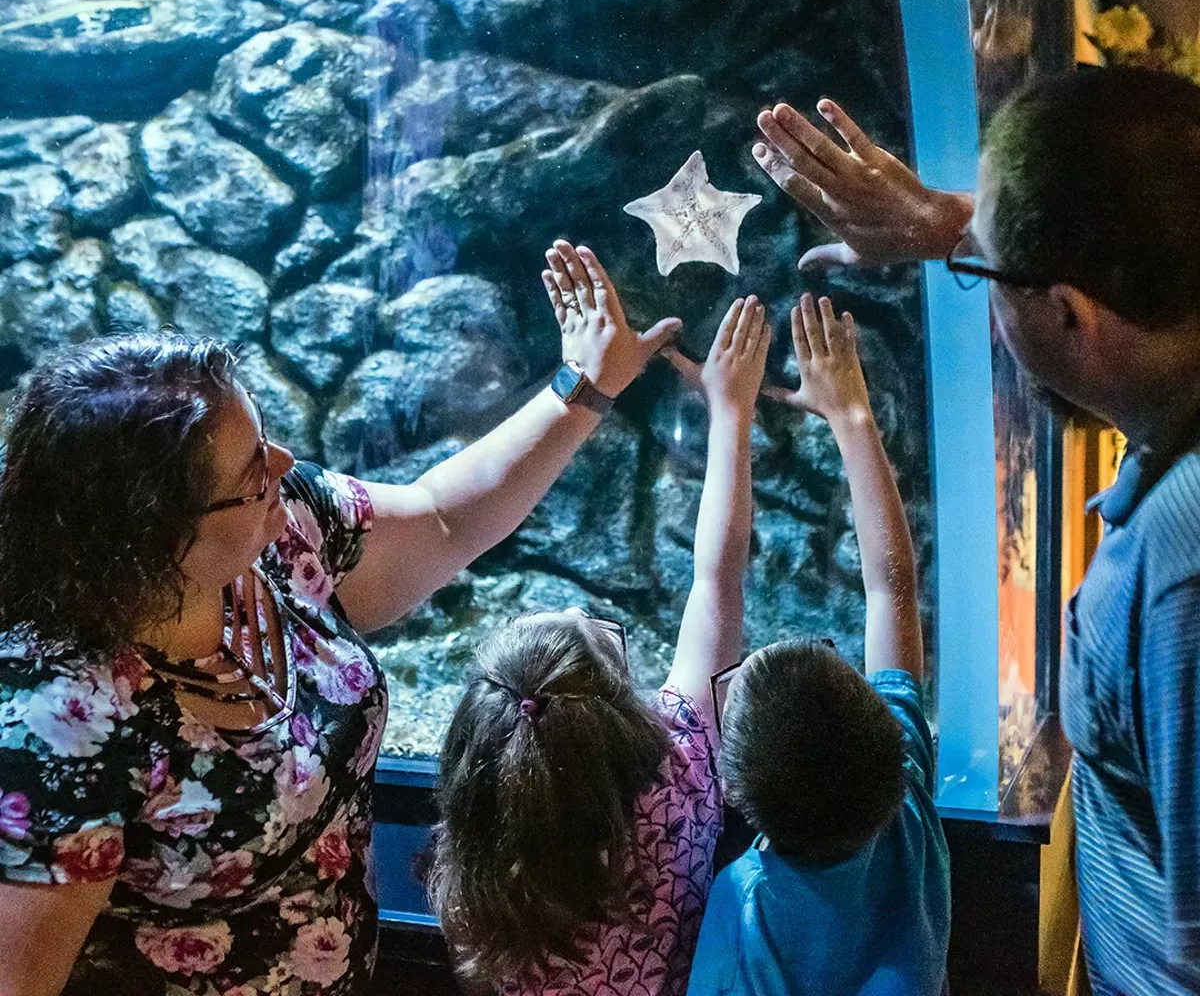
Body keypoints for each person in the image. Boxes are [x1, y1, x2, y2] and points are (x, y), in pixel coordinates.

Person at [0, 240, 680, 996]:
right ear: (155, 531)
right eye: (252, 467)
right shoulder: (58, 731)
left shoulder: (282, 531)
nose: (284, 464)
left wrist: (587, 385)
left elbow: (443, 520)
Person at [753, 68, 1200, 996]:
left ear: (1070, 313)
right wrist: (953, 227)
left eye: (985, 275)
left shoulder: (1180, 583)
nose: (982, 295)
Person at [427, 295, 771, 996]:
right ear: (617, 709)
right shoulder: (678, 781)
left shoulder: (475, 875)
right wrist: (731, 410)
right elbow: (717, 579)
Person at [686, 292, 949, 996]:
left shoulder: (742, 911)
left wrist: (727, 416)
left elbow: (717, 589)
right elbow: (892, 589)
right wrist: (853, 414)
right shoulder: (911, 822)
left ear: (733, 793)